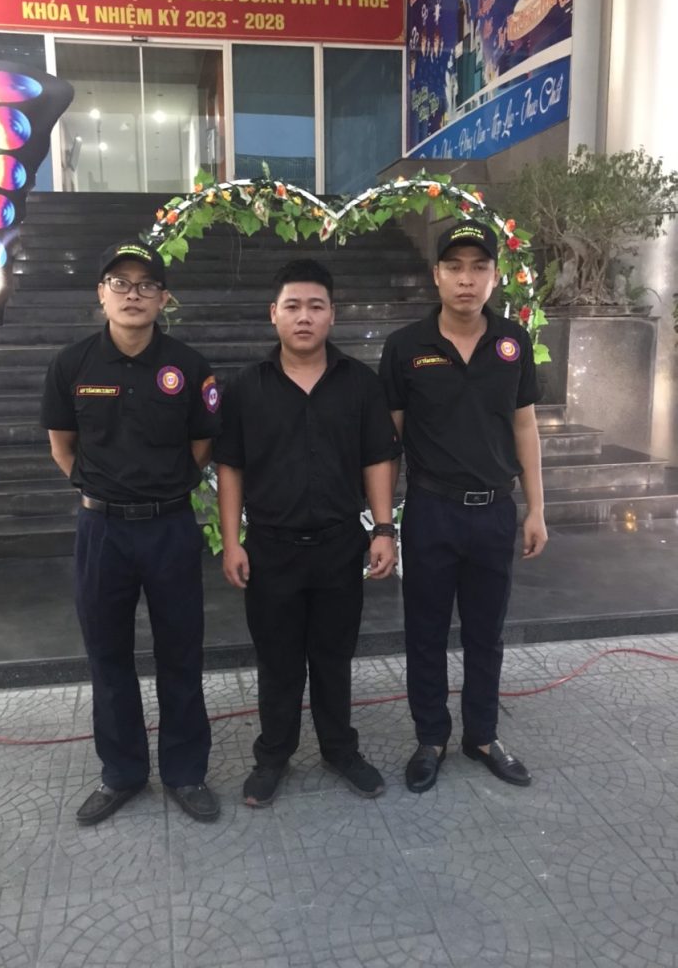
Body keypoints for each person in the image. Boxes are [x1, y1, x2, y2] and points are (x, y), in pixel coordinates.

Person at [41, 239, 221, 825]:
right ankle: (122, 772)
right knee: (107, 655)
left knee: (181, 653)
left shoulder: (189, 366)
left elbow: (202, 444)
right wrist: (101, 489)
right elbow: (62, 446)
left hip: (170, 526)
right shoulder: (71, 365)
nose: (133, 294)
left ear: (163, 298)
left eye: (146, 285)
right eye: (120, 283)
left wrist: (165, 486)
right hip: (102, 530)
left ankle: (185, 772)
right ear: (101, 294)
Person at [215, 258, 401, 807]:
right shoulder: (246, 387)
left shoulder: (359, 383)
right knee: (277, 662)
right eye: (293, 306)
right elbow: (231, 467)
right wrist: (232, 541)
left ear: (332, 315)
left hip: (339, 546)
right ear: (273, 314)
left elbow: (377, 458)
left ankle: (340, 749)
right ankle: (273, 755)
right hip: (270, 548)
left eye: (315, 306)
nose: (304, 317)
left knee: (333, 657)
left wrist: (384, 529)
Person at [379, 221, 548, 794]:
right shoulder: (405, 347)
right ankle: (430, 738)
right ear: (437, 275)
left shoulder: (512, 343)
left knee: (486, 633)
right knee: (425, 632)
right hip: (432, 510)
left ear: (495, 277)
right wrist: (384, 523)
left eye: (479, 268)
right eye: (454, 267)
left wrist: (536, 508)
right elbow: (389, 441)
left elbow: (525, 427)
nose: (466, 279)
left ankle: (482, 735)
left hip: (495, 511)